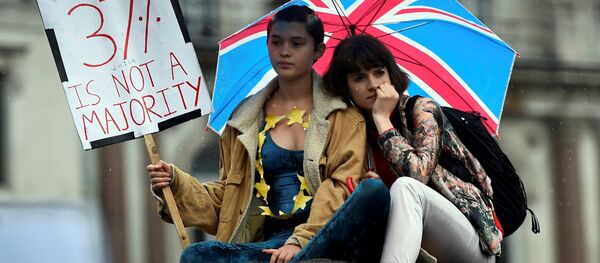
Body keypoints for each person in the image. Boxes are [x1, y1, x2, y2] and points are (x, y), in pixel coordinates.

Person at [147, 6, 386, 263]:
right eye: (276, 42)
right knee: (197, 254)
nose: (285, 51)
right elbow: (228, 203)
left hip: (325, 236)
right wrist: (175, 183)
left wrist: (300, 242)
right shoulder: (242, 122)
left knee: (373, 191)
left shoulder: (344, 117)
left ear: (318, 50)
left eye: (297, 43)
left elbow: (340, 188)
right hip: (269, 249)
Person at [322, 34, 503, 263]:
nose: (373, 84)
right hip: (415, 247)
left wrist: (381, 118)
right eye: (359, 78)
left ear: (391, 74)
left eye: (379, 72)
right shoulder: (355, 133)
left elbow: (417, 176)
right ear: (345, 87)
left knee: (406, 187)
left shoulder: (422, 110)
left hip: (470, 239)